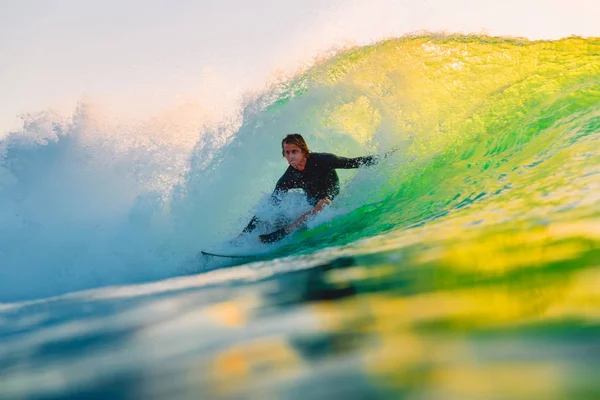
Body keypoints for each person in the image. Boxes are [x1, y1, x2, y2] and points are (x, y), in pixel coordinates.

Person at [242, 133, 382, 243]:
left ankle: (286, 231)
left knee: (320, 205)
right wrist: (244, 232)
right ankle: (254, 237)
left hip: (329, 192)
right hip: (311, 198)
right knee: (277, 214)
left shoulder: (324, 160)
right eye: (287, 152)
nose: (290, 156)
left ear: (303, 150)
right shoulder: (288, 178)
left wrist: (386, 157)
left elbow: (354, 162)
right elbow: (270, 204)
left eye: (294, 151)